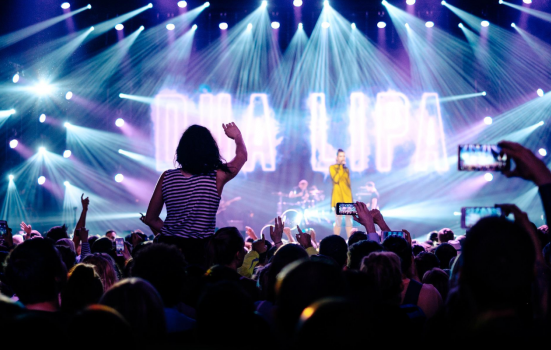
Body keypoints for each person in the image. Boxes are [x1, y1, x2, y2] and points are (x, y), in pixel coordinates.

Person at [144, 122, 247, 266]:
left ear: (182, 150)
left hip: (168, 251)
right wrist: (237, 137)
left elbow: (150, 219)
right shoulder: (216, 176)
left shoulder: (167, 176)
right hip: (201, 253)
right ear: (210, 149)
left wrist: (173, 234)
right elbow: (241, 156)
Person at [330, 149, 353, 236]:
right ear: (336, 157)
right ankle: (336, 239)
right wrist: (340, 167)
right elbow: (336, 179)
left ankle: (350, 240)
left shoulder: (346, 170)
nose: (342, 158)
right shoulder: (332, 168)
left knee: (348, 221)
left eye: (343, 156)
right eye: (340, 156)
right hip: (338, 198)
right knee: (338, 220)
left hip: (347, 198)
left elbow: (348, 184)